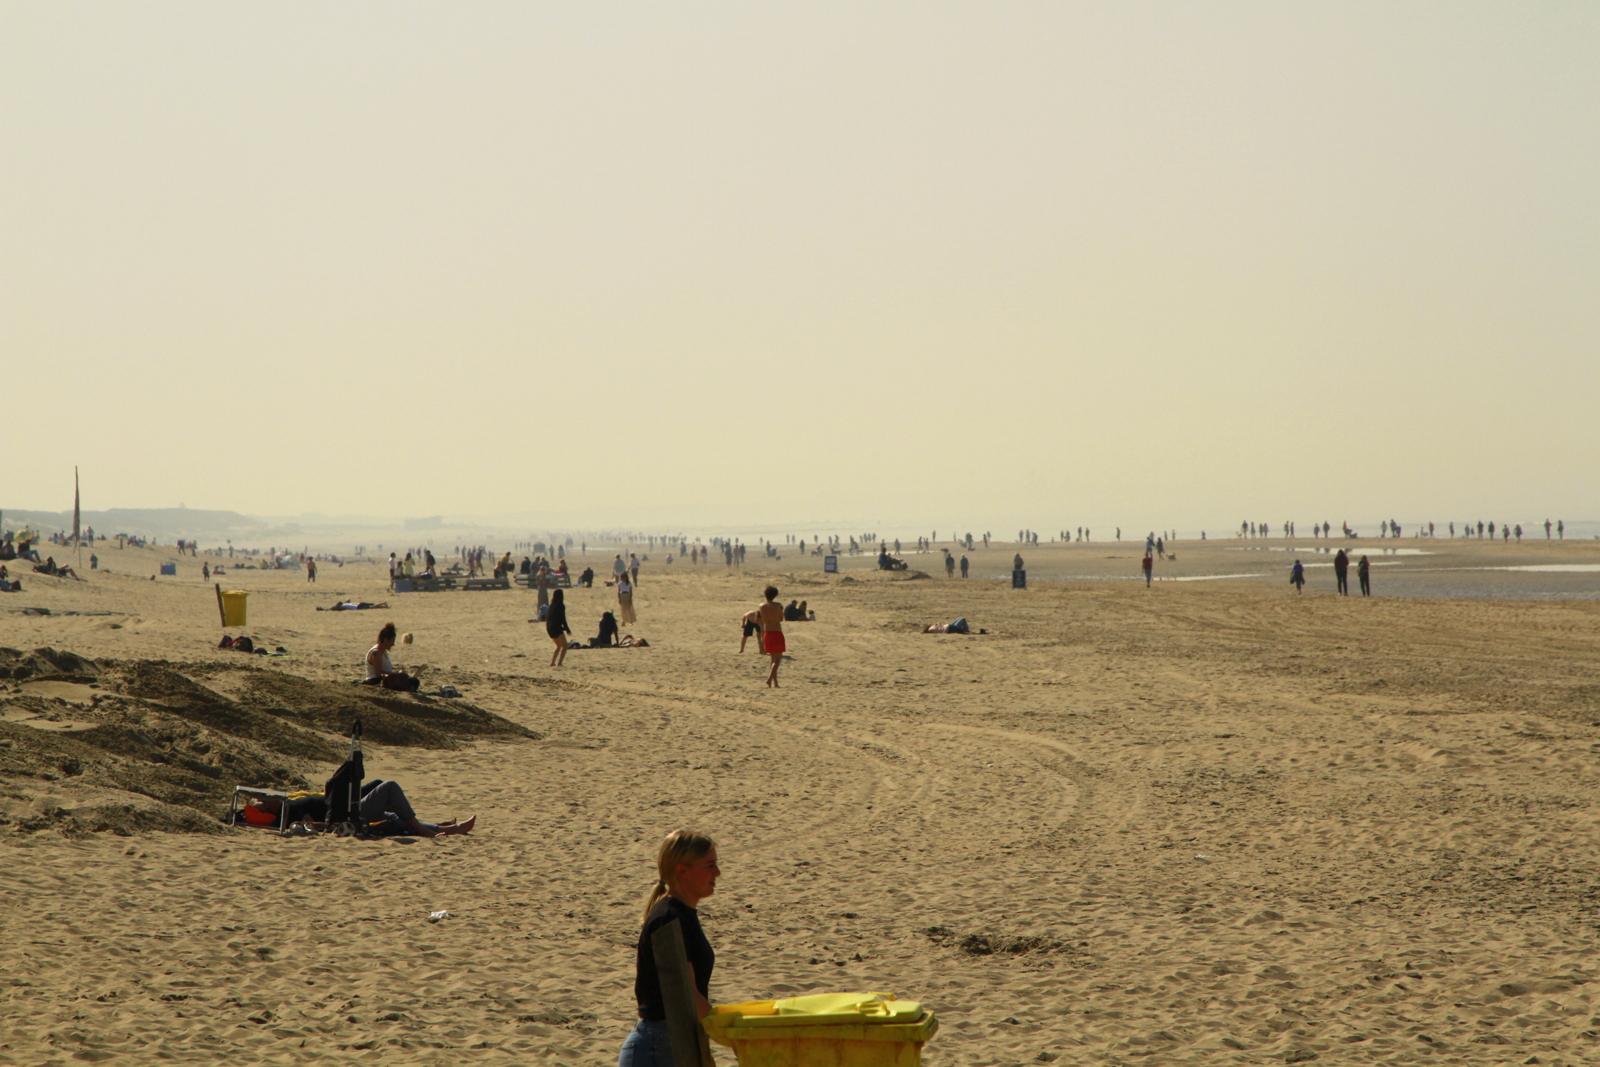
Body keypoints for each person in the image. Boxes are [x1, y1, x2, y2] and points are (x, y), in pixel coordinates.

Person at [619, 830, 720, 1067]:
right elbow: (686, 992)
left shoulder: (682, 915)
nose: (717, 872)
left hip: (673, 1041)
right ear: (681, 871)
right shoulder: (668, 918)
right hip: (658, 1046)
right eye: (710, 865)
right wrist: (726, 1030)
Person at [364, 622, 419, 691]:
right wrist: (395, 674)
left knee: (413, 680)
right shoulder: (376, 653)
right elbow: (378, 673)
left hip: (384, 679)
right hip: (375, 681)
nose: (393, 644)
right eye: (392, 641)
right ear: (386, 640)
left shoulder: (383, 652)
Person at [755, 586, 785, 687]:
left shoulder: (761, 606)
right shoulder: (778, 605)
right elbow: (781, 619)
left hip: (767, 632)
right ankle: (769, 679)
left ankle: (775, 683)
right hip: (776, 631)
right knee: (777, 659)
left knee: (772, 659)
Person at [547, 588, 572, 666]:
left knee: (558, 646)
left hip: (549, 628)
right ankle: (560, 663)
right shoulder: (560, 605)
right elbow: (562, 619)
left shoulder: (551, 605)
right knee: (565, 646)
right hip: (556, 628)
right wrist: (567, 629)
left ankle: (552, 662)